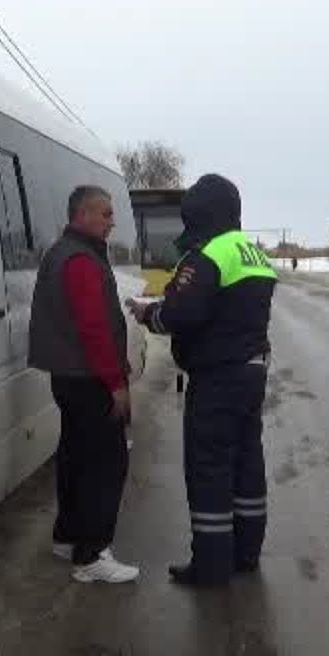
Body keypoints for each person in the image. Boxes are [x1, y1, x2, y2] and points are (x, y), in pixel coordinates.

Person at [127, 173, 277, 588]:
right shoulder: (252, 252)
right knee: (247, 464)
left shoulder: (206, 253)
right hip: (251, 371)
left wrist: (148, 313)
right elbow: (219, 306)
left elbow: (182, 314)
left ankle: (211, 567)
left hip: (218, 379)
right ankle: (246, 554)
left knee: (209, 468)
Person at [28, 184, 140, 584]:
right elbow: (94, 330)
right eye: (105, 214)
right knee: (106, 463)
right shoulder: (80, 260)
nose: (112, 222)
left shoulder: (63, 253)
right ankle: (92, 555)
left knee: (75, 456)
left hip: (70, 378)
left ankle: (68, 536)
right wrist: (116, 383)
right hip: (91, 379)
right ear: (82, 215)